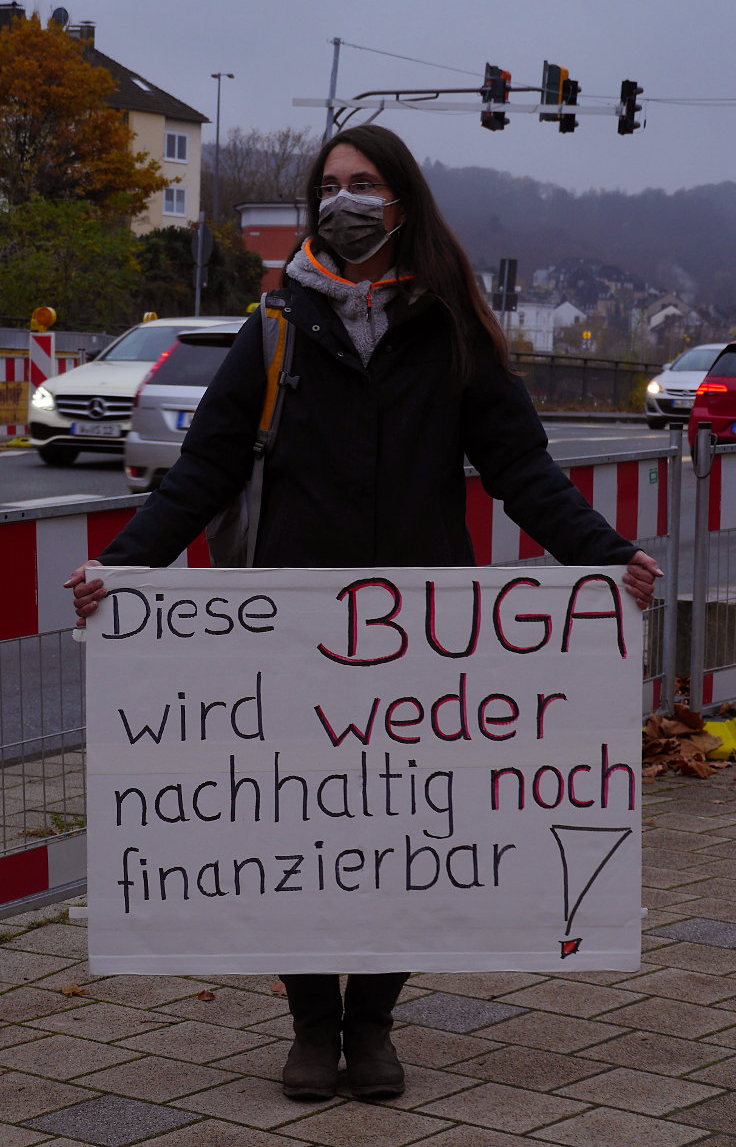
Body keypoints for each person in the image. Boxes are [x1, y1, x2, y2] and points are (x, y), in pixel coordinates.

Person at [66, 123, 662, 1103]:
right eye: (331, 184)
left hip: (422, 636)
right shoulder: (276, 323)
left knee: (409, 825)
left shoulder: (453, 327)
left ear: (402, 201)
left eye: (366, 184)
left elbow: (520, 468)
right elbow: (207, 467)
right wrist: (123, 567)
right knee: (302, 829)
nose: (347, 201)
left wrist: (604, 558)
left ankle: (374, 1017)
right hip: (290, 627)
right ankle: (311, 1022)